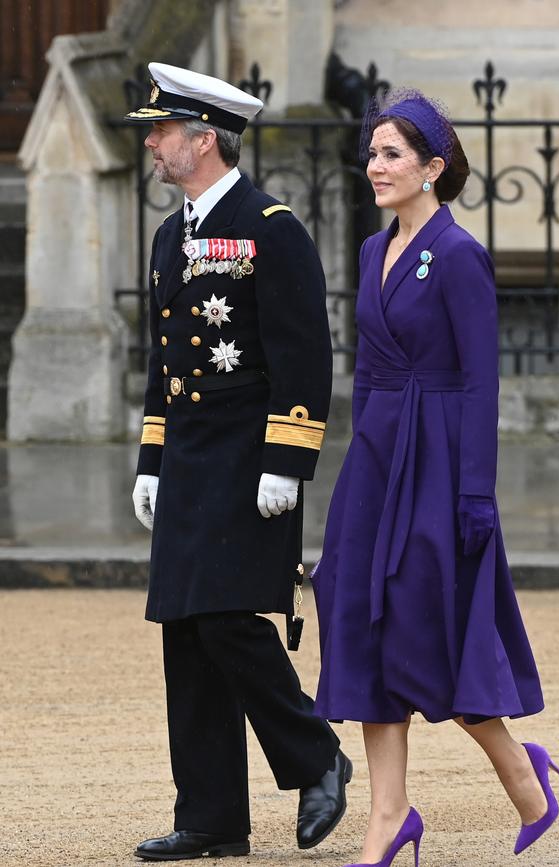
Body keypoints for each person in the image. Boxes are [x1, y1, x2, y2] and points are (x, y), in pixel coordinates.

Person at [311, 89, 559, 867]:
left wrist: (474, 493)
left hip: (440, 465)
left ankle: (521, 771)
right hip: (378, 463)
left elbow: (482, 382)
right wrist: (358, 462)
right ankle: (389, 815)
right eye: (372, 153)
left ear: (433, 167)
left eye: (392, 154)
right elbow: (363, 372)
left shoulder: (460, 255)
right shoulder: (369, 250)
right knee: (356, 620)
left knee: (431, 628)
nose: (376, 166)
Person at [126, 62, 352, 862]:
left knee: (227, 618)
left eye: (161, 130)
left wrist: (287, 459)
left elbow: (303, 355)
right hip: (188, 459)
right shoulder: (169, 234)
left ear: (204, 138)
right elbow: (162, 362)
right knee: (185, 631)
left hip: (248, 458)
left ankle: (317, 752)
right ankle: (213, 815)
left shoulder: (272, 225)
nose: (151, 142)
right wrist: (150, 456)